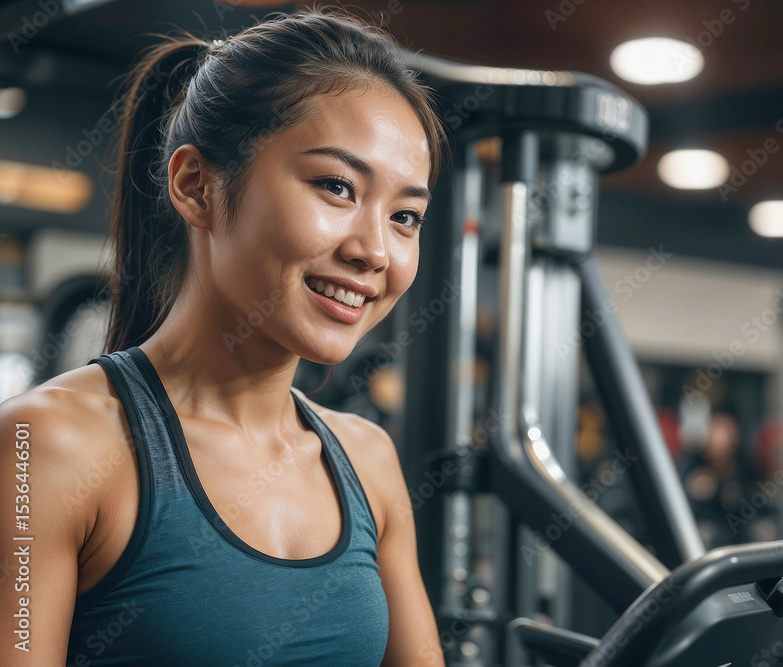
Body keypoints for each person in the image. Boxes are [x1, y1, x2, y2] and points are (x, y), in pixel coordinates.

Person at [0, 6, 449, 666]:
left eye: (406, 215)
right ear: (196, 184)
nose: (375, 250)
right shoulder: (46, 445)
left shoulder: (367, 459)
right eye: (335, 185)